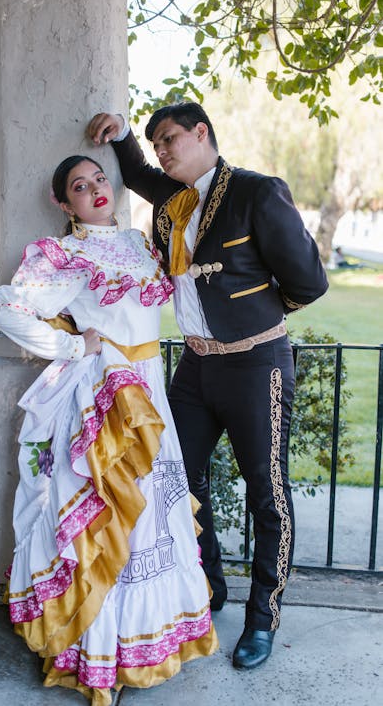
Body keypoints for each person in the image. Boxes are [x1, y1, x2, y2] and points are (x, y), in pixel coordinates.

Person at [87, 104, 329, 670]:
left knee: (266, 493)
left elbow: (310, 282)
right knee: (178, 477)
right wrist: (124, 137)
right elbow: (142, 176)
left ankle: (262, 619)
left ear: (202, 134)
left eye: (169, 139)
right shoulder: (172, 201)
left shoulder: (257, 193)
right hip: (195, 369)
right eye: (157, 143)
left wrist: (257, 319)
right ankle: (210, 585)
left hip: (256, 364)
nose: (163, 150)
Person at [0, 155, 217, 706]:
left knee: (150, 521)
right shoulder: (64, 255)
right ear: (62, 202)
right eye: (79, 185)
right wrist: (74, 345)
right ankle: (100, 657)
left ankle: (145, 644)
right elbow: (11, 313)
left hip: (150, 393)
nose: (94, 190)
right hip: (105, 395)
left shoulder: (142, 245)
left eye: (99, 179)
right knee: (107, 521)